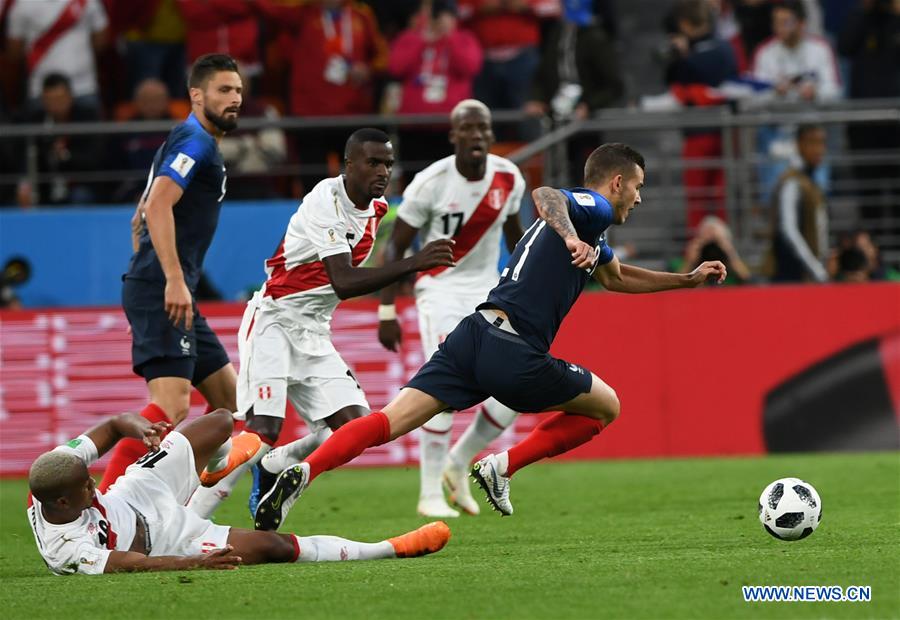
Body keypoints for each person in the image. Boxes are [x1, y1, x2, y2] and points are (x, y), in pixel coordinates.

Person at [252, 143, 727, 530]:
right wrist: (567, 236)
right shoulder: (593, 207)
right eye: (638, 188)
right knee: (608, 406)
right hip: (514, 351)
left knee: (388, 422)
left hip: (474, 334)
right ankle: (502, 466)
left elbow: (618, 278)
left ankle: (303, 472)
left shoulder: (594, 233)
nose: (639, 199)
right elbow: (546, 196)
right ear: (618, 182)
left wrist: (686, 280)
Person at [186, 128, 455, 519]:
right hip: (273, 321)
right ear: (348, 165)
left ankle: (274, 466)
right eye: (373, 163)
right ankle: (190, 521)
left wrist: (388, 305)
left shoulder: (376, 211)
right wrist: (415, 262)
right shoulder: (324, 199)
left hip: (313, 331)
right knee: (263, 430)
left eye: (388, 164)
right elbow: (343, 281)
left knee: (354, 429)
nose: (383, 172)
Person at [27, 409, 450, 575]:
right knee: (274, 546)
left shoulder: (58, 467)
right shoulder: (66, 546)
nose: (91, 484)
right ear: (62, 503)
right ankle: (388, 548)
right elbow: (133, 564)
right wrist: (193, 562)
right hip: (165, 541)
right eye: (86, 487)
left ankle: (215, 469)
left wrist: (136, 428)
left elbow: (113, 425)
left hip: (137, 493)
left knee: (220, 422)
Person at [100, 54, 247, 493]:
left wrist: (157, 266)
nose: (235, 98)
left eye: (238, 90)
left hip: (166, 286)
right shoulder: (195, 142)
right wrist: (172, 278)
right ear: (196, 95)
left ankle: (177, 500)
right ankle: (104, 510)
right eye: (224, 90)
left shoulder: (187, 139)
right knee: (169, 407)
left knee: (228, 401)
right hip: (165, 288)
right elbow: (158, 205)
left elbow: (141, 214)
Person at [372, 99, 525, 518]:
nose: (476, 135)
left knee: (515, 388)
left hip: (488, 293)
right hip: (438, 291)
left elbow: (517, 241)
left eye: (483, 128)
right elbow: (396, 247)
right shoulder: (430, 182)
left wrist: (528, 291)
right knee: (444, 389)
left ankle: (458, 464)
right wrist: (387, 310)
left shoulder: (509, 178)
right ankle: (428, 495)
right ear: (454, 136)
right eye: (467, 129)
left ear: (491, 135)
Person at [14, 72, 105, 207]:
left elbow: (95, 158)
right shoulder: (35, 121)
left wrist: (66, 156)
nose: (56, 105)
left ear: (70, 97)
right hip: (46, 185)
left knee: (81, 196)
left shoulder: (87, 119)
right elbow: (24, 157)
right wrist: (24, 184)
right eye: (51, 100)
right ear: (43, 100)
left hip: (79, 184)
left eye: (60, 99)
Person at [764, 124, 829, 283]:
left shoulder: (810, 180)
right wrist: (816, 268)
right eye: (812, 143)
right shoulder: (791, 182)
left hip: (808, 274)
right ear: (799, 145)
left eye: (822, 143)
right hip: (791, 275)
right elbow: (788, 230)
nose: (819, 150)